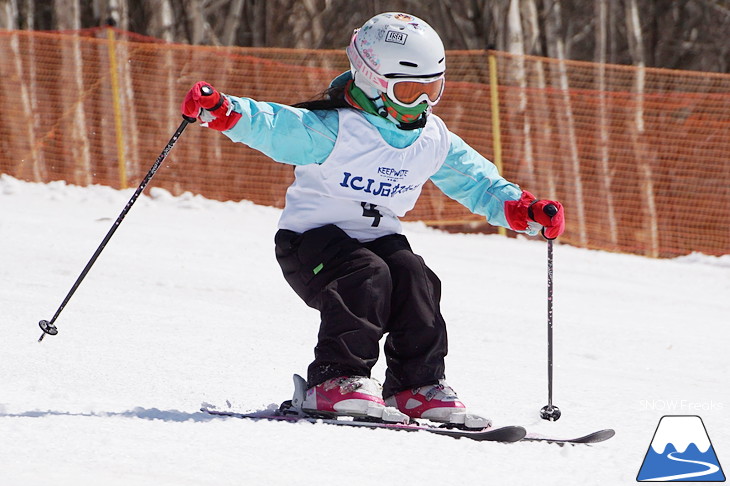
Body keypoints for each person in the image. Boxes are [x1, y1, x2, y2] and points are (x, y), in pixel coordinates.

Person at [181, 12, 564, 428]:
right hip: (309, 243)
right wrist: (224, 111)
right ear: (373, 81)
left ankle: (416, 386)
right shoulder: (336, 129)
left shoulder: (431, 138)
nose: (421, 104)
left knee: (414, 274)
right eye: (409, 91)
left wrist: (521, 209)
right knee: (367, 273)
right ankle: (335, 380)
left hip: (377, 238)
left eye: (432, 90)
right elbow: (276, 126)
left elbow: (477, 180)